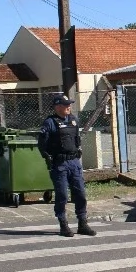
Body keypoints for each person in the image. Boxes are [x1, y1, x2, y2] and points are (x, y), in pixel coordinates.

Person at [39, 95, 96, 237]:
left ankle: (82, 223)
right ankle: (63, 224)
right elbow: (42, 145)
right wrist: (49, 158)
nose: (68, 107)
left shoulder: (74, 120)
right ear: (57, 107)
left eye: (69, 104)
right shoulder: (50, 123)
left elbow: (77, 140)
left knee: (80, 194)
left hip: (74, 163)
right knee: (62, 195)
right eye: (65, 105)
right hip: (60, 164)